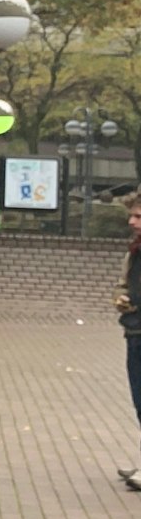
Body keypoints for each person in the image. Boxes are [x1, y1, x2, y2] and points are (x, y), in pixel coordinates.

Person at [118, 193, 141, 491]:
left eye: (138, 216)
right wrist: (120, 297)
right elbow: (123, 282)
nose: (131, 221)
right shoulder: (134, 252)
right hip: (135, 331)